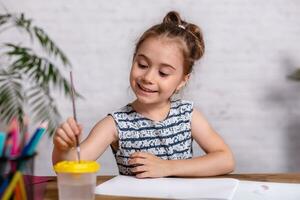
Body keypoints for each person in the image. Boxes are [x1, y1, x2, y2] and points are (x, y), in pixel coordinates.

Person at [52, 11, 235, 178]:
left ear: (182, 81)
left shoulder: (188, 115)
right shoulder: (115, 124)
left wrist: (167, 167)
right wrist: (63, 150)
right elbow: (67, 167)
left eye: (163, 73)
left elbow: (226, 160)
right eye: (142, 65)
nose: (148, 77)